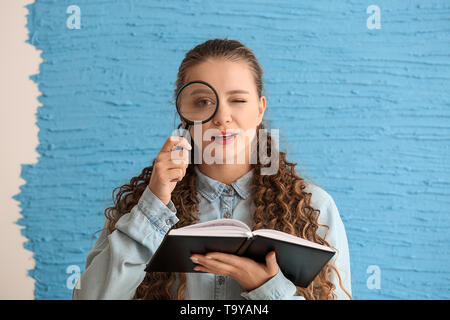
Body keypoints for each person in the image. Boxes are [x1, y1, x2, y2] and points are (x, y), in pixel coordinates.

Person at [72, 39, 352, 300]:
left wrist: (267, 288)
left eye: (238, 100)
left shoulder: (314, 207)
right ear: (184, 113)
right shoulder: (143, 205)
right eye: (203, 102)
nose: (221, 116)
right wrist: (153, 205)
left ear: (259, 110)